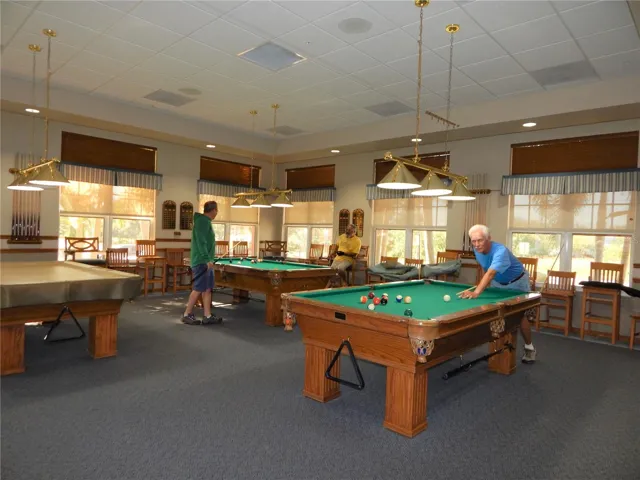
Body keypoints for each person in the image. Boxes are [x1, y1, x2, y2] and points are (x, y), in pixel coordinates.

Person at [459, 224, 537, 364]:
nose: (476, 244)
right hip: (497, 282)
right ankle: (497, 349)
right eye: (473, 241)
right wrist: (481, 287)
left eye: (480, 240)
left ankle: (529, 347)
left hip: (517, 283)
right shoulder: (477, 250)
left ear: (488, 238)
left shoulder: (500, 251)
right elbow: (486, 269)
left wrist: (477, 292)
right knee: (494, 311)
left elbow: (490, 273)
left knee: (519, 316)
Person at [182, 201, 223, 326]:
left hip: (206, 261)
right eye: (216, 210)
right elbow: (201, 242)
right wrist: (207, 259)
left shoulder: (206, 221)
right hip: (202, 262)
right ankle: (187, 314)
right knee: (198, 288)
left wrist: (209, 259)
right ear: (213, 210)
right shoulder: (202, 221)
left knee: (207, 289)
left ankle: (207, 315)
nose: (217, 212)